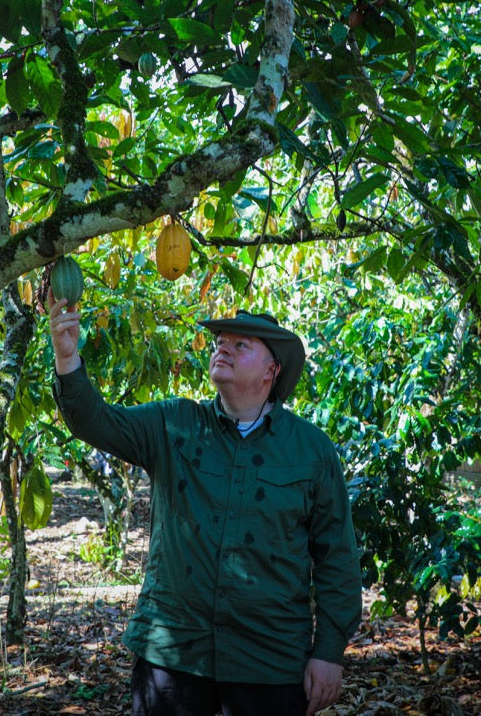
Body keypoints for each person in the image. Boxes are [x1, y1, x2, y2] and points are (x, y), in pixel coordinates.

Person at [49, 298, 362, 716]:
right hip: (174, 653)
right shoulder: (174, 424)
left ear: (272, 370)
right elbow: (96, 421)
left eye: (241, 344)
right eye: (220, 340)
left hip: (268, 660)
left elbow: (336, 558)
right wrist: (67, 357)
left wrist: (329, 652)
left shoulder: (311, 451)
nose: (223, 348)